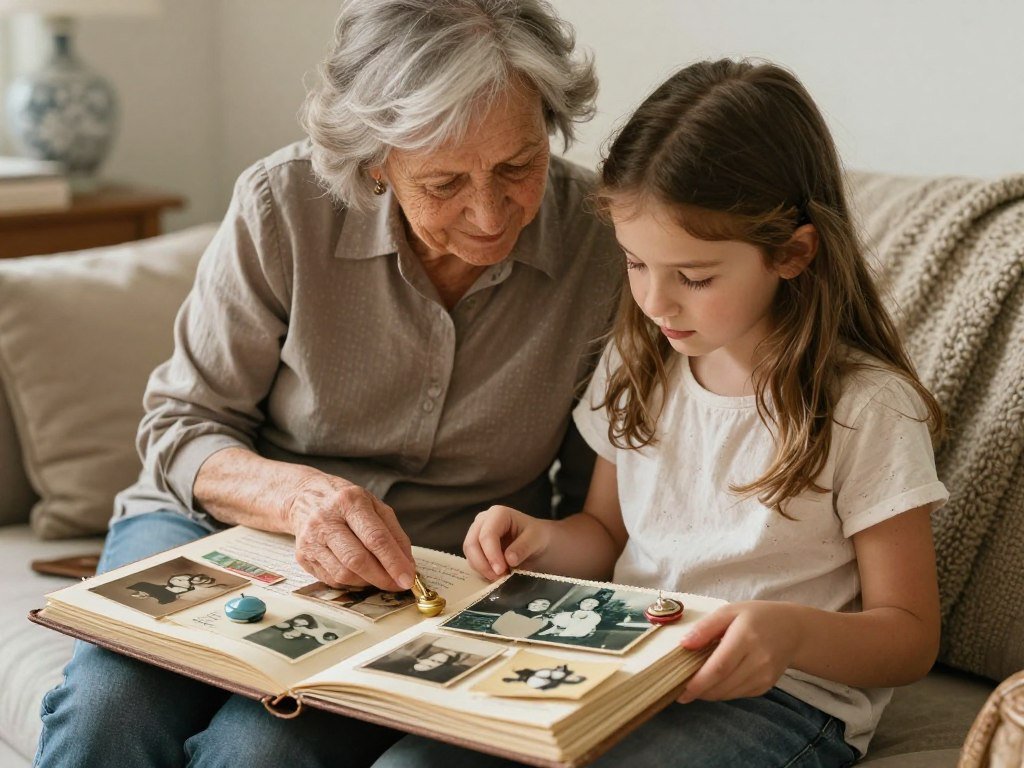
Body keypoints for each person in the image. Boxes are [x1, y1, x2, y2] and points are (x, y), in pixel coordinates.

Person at [34, 2, 620, 766]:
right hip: (220, 524)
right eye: (444, 182)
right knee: (105, 714)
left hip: (428, 574)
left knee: (262, 752)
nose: (488, 213)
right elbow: (181, 426)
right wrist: (299, 499)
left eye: (518, 166)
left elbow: (594, 508)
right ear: (377, 160)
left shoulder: (604, 249)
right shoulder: (284, 206)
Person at [389, 59, 948, 767]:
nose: (655, 302)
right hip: (625, 665)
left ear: (792, 252)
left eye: (694, 276)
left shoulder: (864, 408)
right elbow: (603, 534)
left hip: (781, 699)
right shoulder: (641, 361)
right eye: (635, 263)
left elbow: (909, 636)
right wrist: (536, 540)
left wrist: (789, 635)